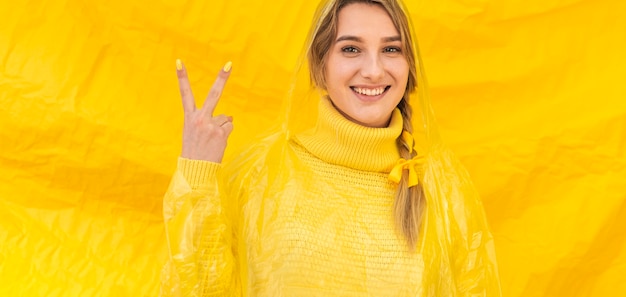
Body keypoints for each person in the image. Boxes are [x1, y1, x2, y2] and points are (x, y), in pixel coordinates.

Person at [161, 0, 501, 296]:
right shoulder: (260, 173)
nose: (372, 70)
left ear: (409, 66)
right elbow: (201, 287)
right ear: (319, 63)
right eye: (351, 49)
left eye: (391, 49)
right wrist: (197, 172)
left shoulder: (442, 188)